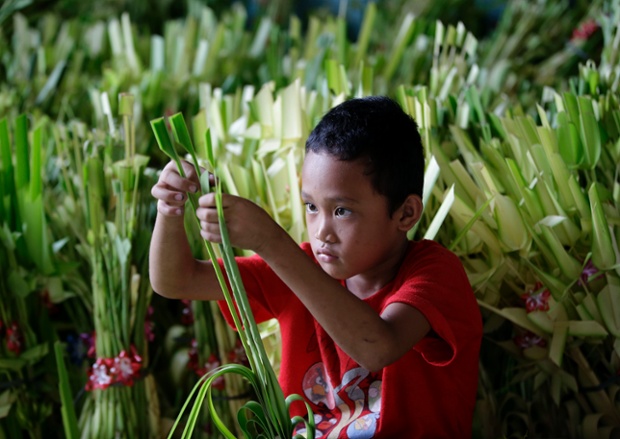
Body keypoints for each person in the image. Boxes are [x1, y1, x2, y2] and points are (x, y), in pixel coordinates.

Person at [150, 96, 483, 438]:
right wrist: (169, 209)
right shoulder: (301, 267)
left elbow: (377, 347)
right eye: (311, 206)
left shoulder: (434, 273)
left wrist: (269, 240)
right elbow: (176, 280)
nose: (322, 230)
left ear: (405, 214)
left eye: (342, 211)